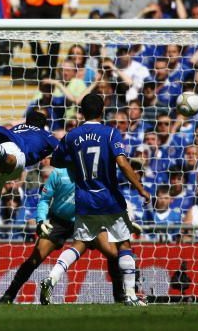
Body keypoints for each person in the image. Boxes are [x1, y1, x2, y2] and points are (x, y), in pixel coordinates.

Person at [41, 93, 150, 306]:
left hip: (84, 200)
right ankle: (130, 295)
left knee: (78, 244)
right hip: (109, 199)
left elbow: (56, 160)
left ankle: (51, 278)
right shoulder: (110, 133)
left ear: (81, 112)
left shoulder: (72, 136)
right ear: (102, 111)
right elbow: (123, 163)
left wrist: (77, 163)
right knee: (123, 243)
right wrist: (141, 189)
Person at [0, 167, 125, 304]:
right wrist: (41, 221)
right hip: (59, 220)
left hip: (87, 220)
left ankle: (119, 295)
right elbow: (44, 199)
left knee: (113, 253)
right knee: (36, 257)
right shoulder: (58, 174)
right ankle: (9, 295)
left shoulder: (95, 174)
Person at [0, 110, 59, 296]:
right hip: (11, 154)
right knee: (10, 162)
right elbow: (63, 152)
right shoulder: (46, 135)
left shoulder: (17, 128)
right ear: (43, 125)